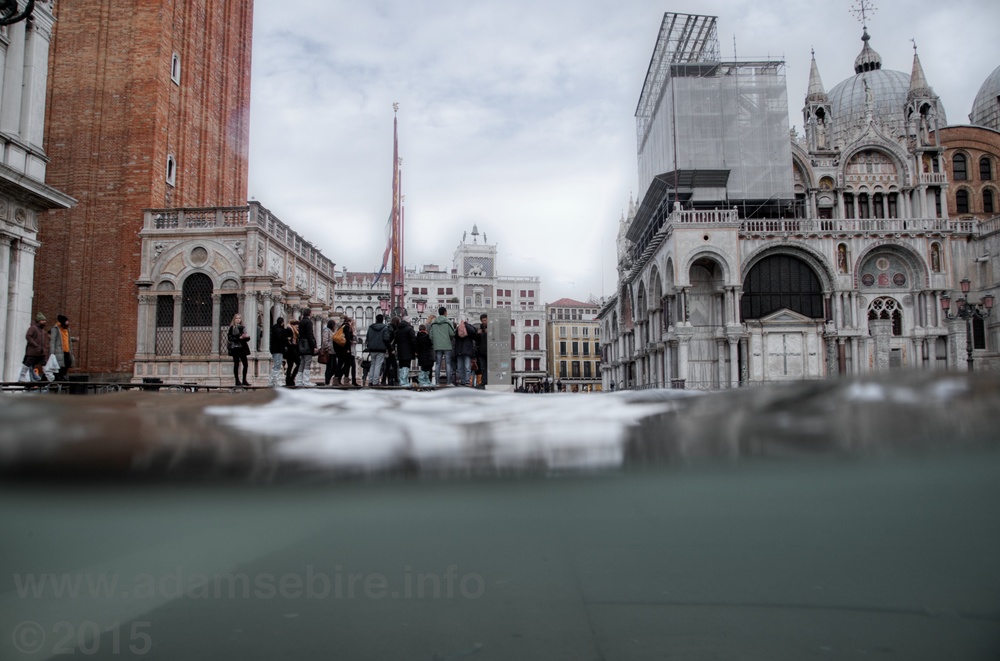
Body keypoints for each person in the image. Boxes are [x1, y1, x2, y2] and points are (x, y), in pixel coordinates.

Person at [429, 307, 456, 386]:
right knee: (448, 364)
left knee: (437, 364)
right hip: (447, 345)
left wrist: (435, 342)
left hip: (437, 346)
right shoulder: (448, 322)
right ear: (445, 312)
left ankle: (437, 382)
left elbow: (431, 335)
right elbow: (452, 334)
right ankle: (448, 382)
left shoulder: (433, 322)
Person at [364, 313, 393, 386]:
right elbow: (386, 338)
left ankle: (370, 381)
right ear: (382, 320)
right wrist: (389, 348)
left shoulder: (370, 327)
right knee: (378, 365)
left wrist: (369, 345)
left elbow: (367, 337)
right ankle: (375, 381)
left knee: (372, 364)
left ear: (376, 319)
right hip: (381, 349)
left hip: (372, 348)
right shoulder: (385, 328)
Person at [392, 315, 417, 387]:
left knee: (401, 366)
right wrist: (416, 350)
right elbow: (413, 340)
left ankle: (401, 381)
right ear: (409, 322)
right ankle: (404, 381)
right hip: (408, 350)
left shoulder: (398, 329)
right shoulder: (409, 329)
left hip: (400, 351)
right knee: (406, 365)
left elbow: (395, 340)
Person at [454, 316, 479, 387]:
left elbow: (473, 332)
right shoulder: (458, 329)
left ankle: (466, 381)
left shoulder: (469, 328)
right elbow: (455, 335)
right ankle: (464, 381)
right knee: (461, 367)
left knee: (466, 367)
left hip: (464, 350)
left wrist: (466, 325)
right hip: (462, 350)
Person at [226, 313, 251, 386]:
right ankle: (237, 381)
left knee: (245, 364)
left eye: (239, 318)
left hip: (242, 347)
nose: (238, 319)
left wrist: (246, 337)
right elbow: (230, 338)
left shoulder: (243, 327)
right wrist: (238, 338)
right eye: (237, 318)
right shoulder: (232, 328)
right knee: (236, 364)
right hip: (236, 348)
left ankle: (244, 380)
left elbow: (247, 338)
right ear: (234, 319)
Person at [49, 314, 75, 381]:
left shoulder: (67, 330)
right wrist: (52, 352)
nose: (67, 323)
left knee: (68, 363)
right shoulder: (56, 329)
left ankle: (63, 376)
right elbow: (52, 341)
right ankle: (58, 378)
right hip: (59, 350)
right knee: (60, 365)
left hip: (67, 350)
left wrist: (74, 339)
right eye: (66, 322)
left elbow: (67, 339)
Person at [22, 313, 48, 381]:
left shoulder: (42, 330)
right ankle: (22, 377)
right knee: (28, 363)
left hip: (40, 351)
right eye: (42, 320)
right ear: (39, 321)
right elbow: (28, 336)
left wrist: (43, 348)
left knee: (44, 363)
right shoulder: (33, 328)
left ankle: (48, 376)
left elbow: (42, 341)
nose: (44, 322)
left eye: (45, 320)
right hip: (33, 351)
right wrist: (35, 344)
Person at [296, 309, 316, 387]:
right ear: (309, 313)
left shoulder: (301, 322)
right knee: (308, 362)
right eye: (311, 313)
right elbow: (310, 335)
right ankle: (306, 381)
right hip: (307, 345)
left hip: (301, 344)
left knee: (302, 362)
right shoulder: (308, 322)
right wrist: (314, 346)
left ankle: (299, 381)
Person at [333, 317, 356, 386]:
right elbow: (347, 338)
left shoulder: (341, 326)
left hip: (340, 349)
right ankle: (340, 379)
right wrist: (348, 349)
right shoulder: (346, 327)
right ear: (350, 321)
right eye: (352, 322)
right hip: (344, 349)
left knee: (340, 364)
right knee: (347, 364)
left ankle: (336, 380)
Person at [268, 317, 287, 387]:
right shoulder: (279, 330)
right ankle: (277, 381)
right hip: (278, 349)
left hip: (274, 349)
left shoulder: (274, 329)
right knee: (277, 365)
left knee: (275, 365)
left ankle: (271, 381)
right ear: (282, 323)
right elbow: (281, 340)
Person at [322, 318, 337, 386]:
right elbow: (325, 340)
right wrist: (328, 347)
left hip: (333, 352)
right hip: (329, 351)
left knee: (334, 367)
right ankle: (327, 382)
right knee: (329, 367)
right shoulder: (326, 331)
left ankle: (328, 380)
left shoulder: (331, 331)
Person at [285, 320, 300, 387]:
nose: (297, 327)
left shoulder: (293, 330)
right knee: (298, 364)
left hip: (292, 350)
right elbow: (287, 340)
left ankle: (289, 379)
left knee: (290, 366)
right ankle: (290, 379)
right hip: (291, 350)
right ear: (295, 324)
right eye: (297, 325)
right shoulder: (289, 329)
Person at [475, 313, 489, 388]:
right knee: (483, 367)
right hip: (481, 352)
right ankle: (484, 381)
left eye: (485, 320)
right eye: (483, 320)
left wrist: (489, 332)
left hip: (489, 351)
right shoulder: (479, 328)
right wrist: (477, 334)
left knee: (489, 367)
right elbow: (476, 340)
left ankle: (489, 381)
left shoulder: (491, 328)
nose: (484, 322)